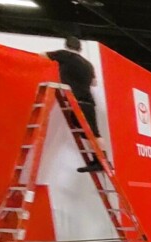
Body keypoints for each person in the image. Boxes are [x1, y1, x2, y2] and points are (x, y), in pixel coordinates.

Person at [46, 36, 104, 172]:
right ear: (80, 48)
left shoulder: (65, 55)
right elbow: (94, 83)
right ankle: (98, 160)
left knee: (94, 134)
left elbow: (42, 55)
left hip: (77, 100)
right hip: (87, 101)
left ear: (67, 46)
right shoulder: (88, 64)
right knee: (90, 133)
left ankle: (101, 161)